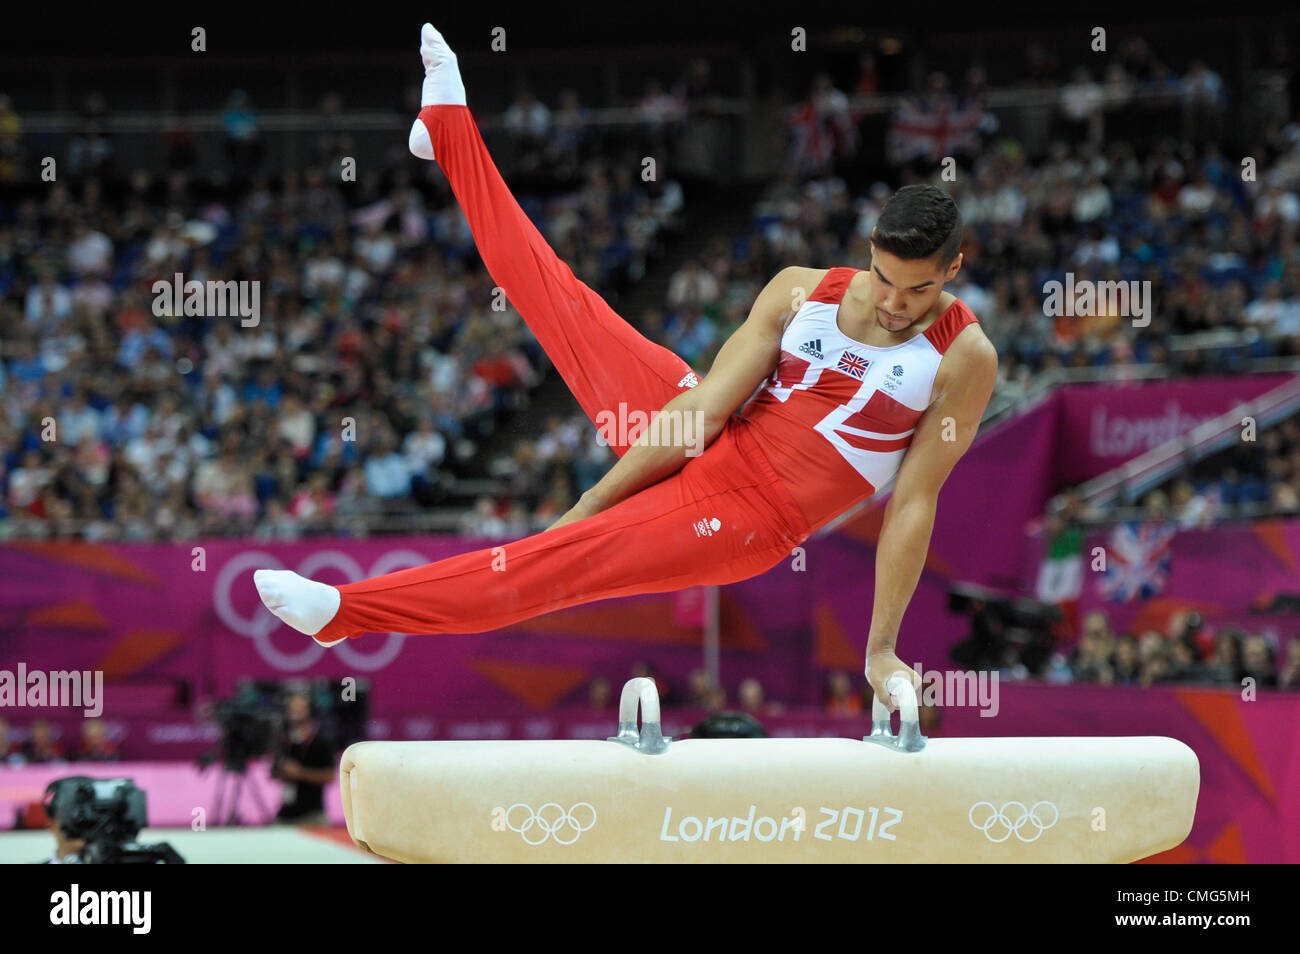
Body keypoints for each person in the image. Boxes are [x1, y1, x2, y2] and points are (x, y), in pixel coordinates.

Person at [254, 24, 998, 711]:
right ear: (868, 250)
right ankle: (450, 133)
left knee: (551, 567)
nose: (897, 303)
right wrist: (590, 505)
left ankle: (348, 614)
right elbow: (704, 411)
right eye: (884, 277)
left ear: (953, 269)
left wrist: (880, 652)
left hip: (748, 517)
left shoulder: (964, 356)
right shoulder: (803, 290)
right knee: (562, 302)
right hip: (708, 432)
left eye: (920, 288)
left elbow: (914, 503)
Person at [270, 693, 336, 826]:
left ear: (310, 711)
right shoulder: (283, 741)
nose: (296, 712)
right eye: (292, 709)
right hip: (285, 814)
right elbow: (273, 772)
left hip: (313, 815)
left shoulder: (321, 741)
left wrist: (300, 773)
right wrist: (282, 772)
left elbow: (329, 776)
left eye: (301, 709)